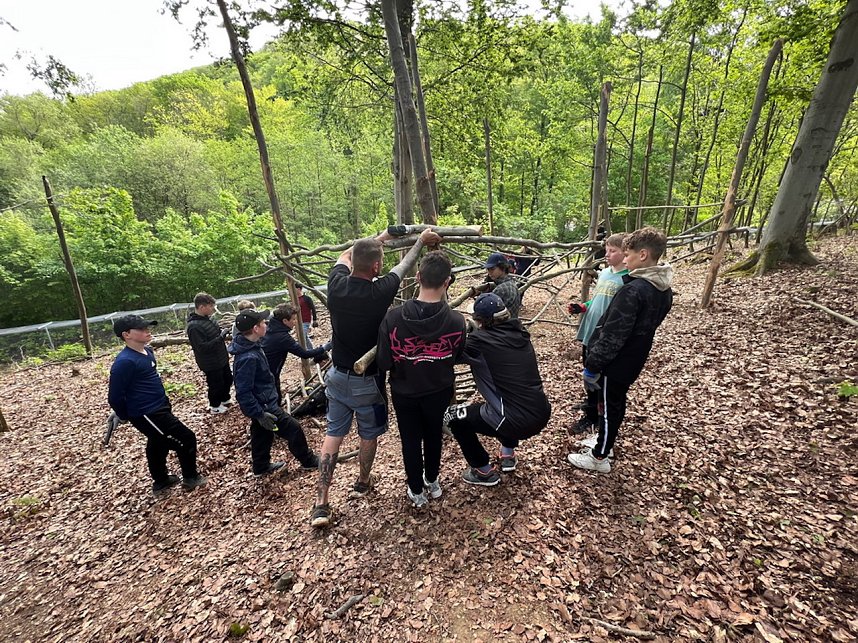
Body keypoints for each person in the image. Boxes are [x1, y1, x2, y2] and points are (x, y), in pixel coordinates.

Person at [311, 227, 441, 528]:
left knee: (334, 434)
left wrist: (380, 237)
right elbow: (405, 265)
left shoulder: (336, 283)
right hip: (366, 379)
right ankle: (363, 480)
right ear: (376, 267)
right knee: (368, 433)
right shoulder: (378, 292)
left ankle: (321, 502)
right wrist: (421, 241)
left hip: (336, 376)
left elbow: (345, 255)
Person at [567, 227, 673, 474]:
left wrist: (592, 366)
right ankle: (606, 442)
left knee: (607, 405)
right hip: (634, 357)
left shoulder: (634, 291)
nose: (625, 260)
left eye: (628, 254)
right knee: (615, 401)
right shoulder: (662, 288)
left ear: (644, 254)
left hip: (616, 362)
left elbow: (613, 335)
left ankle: (599, 456)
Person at [376, 251, 467, 508]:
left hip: (404, 390)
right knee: (433, 435)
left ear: (417, 277)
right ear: (447, 282)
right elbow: (456, 354)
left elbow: (384, 361)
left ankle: (416, 489)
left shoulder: (393, 318)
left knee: (410, 439)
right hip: (438, 389)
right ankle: (432, 480)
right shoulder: (456, 321)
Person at [445, 293, 551, 486]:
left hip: (515, 420)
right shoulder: (520, 334)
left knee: (453, 417)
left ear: (480, 321)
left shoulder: (479, 343)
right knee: (502, 402)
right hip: (540, 411)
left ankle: (483, 471)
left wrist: (464, 333)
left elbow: (449, 354)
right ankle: (508, 454)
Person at [108, 315, 207, 494]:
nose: (147, 331)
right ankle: (191, 478)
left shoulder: (148, 351)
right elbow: (115, 397)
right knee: (186, 439)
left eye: (148, 327)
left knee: (157, 442)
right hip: (147, 413)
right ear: (126, 334)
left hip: (160, 405)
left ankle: (161, 481)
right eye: (142, 328)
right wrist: (123, 414)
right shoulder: (124, 362)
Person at [229, 309, 320, 477]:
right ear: (256, 328)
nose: (266, 325)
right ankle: (308, 461)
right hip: (264, 405)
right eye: (263, 323)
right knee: (294, 428)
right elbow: (243, 392)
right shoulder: (247, 357)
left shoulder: (253, 346)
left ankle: (261, 466)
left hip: (264, 402)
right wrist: (260, 413)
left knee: (261, 433)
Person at [566, 233, 628, 435]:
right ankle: (590, 404)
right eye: (607, 250)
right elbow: (599, 299)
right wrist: (583, 307)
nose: (607, 255)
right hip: (590, 331)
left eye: (613, 251)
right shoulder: (605, 273)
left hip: (605, 336)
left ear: (625, 252)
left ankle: (596, 417)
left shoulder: (628, 279)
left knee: (600, 377)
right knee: (588, 372)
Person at [262, 303, 332, 404]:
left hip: (267, 370)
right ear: (285, 321)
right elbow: (304, 354)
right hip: (269, 373)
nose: (295, 322)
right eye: (293, 319)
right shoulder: (282, 337)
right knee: (273, 400)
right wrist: (325, 347)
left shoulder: (271, 328)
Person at [186, 292, 232, 414]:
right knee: (215, 384)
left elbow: (215, 332)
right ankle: (215, 405)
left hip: (221, 357)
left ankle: (224, 399)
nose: (213, 309)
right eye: (211, 306)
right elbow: (202, 347)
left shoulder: (209, 319)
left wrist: (222, 333)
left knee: (228, 379)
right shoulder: (194, 326)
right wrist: (221, 337)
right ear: (202, 307)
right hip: (210, 362)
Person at [483, 252, 521, 319]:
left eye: (492, 269)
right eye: (488, 269)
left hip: (501, 327)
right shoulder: (511, 283)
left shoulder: (501, 289)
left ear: (503, 268)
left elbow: (485, 312)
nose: (489, 272)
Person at [294, 285, 319, 349]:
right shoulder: (294, 300)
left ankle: (306, 353)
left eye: (295, 288)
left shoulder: (306, 298)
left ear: (299, 289)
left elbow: (313, 308)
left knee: (302, 338)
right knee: (305, 337)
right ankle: (312, 351)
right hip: (297, 322)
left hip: (305, 320)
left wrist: (315, 320)